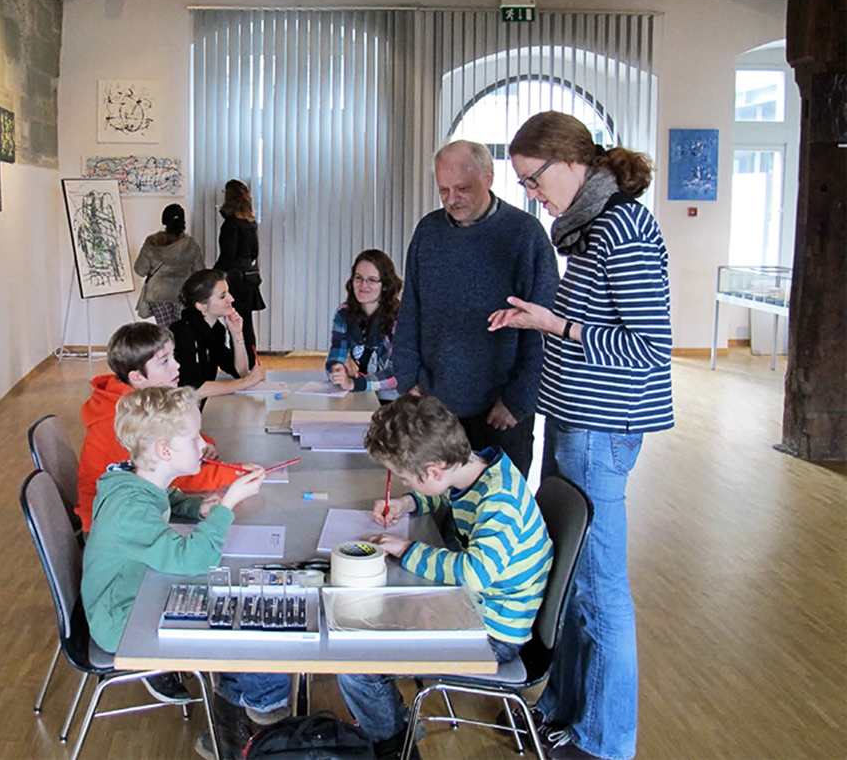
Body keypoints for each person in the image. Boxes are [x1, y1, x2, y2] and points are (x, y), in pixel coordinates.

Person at [487, 111, 672, 760]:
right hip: (572, 419)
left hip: (601, 428)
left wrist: (557, 327)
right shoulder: (589, 230)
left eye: (533, 179)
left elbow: (649, 349)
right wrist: (541, 320)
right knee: (567, 581)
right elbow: (597, 323)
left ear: (570, 161)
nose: (531, 195)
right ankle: (564, 710)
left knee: (598, 593)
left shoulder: (624, 227)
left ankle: (606, 743)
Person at [337, 394, 554, 760]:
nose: (405, 483)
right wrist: (408, 502)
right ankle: (396, 724)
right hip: (480, 610)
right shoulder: (481, 470)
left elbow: (473, 574)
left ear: (434, 470)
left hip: (493, 634)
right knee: (369, 620)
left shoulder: (499, 503)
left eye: (407, 479)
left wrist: (408, 550)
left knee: (357, 659)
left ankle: (395, 747)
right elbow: (447, 496)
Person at [81, 386, 289, 756]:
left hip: (136, 596)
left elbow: (169, 502)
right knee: (251, 614)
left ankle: (234, 710)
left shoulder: (137, 482)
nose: (203, 445)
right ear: (164, 451)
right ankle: (261, 716)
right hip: (123, 623)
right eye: (194, 438)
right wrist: (227, 505)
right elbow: (193, 560)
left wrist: (200, 510)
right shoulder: (129, 508)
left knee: (240, 598)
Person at [392, 140, 559, 479]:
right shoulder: (429, 231)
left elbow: (544, 330)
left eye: (462, 188)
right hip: (436, 403)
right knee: (440, 509)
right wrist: (408, 380)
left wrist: (518, 400)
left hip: (501, 408)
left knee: (499, 509)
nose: (452, 199)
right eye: (443, 190)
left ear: (489, 176)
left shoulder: (525, 235)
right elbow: (411, 310)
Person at [75, 322, 250, 534]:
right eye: (165, 361)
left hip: (144, 507)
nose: (177, 366)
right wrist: (234, 474)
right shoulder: (121, 420)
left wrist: (201, 446)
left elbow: (178, 434)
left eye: (173, 357)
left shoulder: (141, 403)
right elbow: (177, 474)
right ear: (137, 377)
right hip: (108, 528)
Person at [171, 269, 266, 400]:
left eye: (228, 293)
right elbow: (193, 388)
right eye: (222, 296)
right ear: (201, 306)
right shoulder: (182, 332)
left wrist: (237, 334)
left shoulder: (216, 329)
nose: (231, 299)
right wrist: (245, 383)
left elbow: (240, 372)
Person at [326, 249, 402, 402]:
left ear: (385, 285)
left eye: (372, 280)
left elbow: (397, 375)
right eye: (358, 278)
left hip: (395, 401)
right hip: (361, 394)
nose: (363, 285)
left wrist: (355, 384)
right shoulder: (343, 313)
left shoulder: (400, 318)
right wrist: (338, 370)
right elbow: (335, 356)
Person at [213, 179, 265, 356]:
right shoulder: (250, 223)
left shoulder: (231, 224)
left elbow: (227, 256)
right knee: (246, 324)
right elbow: (253, 253)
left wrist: (212, 276)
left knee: (234, 324)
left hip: (235, 280)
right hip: (249, 278)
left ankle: (241, 364)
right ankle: (251, 361)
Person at [134, 203, 205, 328]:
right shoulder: (191, 244)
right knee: (184, 331)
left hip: (158, 295)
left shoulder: (151, 242)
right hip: (183, 294)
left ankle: (167, 348)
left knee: (165, 332)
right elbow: (200, 272)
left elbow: (140, 270)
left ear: (164, 220)